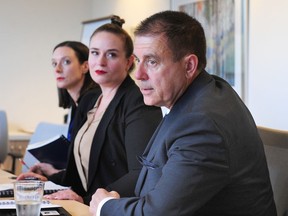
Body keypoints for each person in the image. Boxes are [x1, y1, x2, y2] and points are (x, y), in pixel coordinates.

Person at [89, 11, 277, 216]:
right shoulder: (206, 92)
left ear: (189, 66)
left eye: (151, 61)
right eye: (137, 61)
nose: (138, 74)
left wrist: (104, 206)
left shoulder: (201, 124)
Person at [18, 16, 163, 205]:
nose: (100, 62)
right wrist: (50, 179)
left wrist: (87, 200)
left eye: (111, 54)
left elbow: (142, 173)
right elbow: (86, 173)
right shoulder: (89, 100)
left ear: (128, 62)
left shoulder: (137, 102)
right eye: (95, 53)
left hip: (113, 207)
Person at [28, 41, 101, 177]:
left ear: (85, 66)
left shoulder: (95, 102)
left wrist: (55, 174)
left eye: (66, 62)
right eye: (54, 63)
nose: (57, 70)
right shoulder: (75, 105)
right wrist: (51, 170)